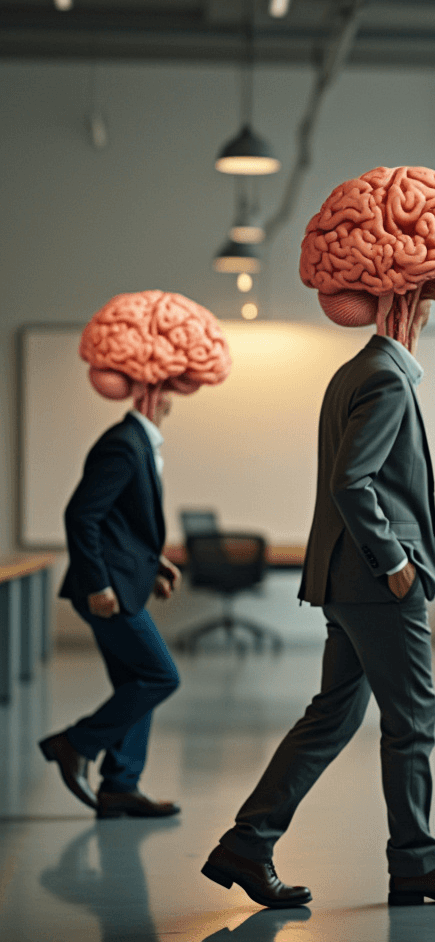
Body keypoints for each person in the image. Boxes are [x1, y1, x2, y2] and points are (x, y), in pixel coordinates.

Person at [203, 165, 435, 909]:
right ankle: (416, 862)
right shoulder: (387, 376)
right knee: (412, 723)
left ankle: (247, 844)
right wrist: (396, 562)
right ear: (411, 293)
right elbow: (353, 481)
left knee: (333, 713)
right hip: (376, 583)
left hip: (345, 582)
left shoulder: (356, 370)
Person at [40, 290, 231, 819]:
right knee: (159, 677)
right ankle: (75, 744)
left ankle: (121, 785)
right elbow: (83, 515)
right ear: (154, 390)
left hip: (122, 581)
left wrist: (156, 563)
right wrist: (99, 583)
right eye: (171, 388)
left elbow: (123, 525)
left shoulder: (141, 444)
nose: (174, 398)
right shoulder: (124, 443)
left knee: (134, 682)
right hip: (104, 590)